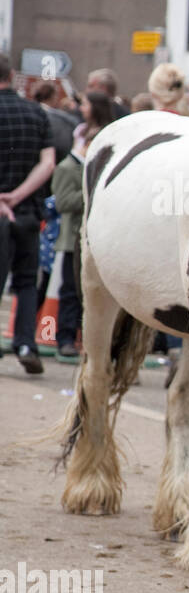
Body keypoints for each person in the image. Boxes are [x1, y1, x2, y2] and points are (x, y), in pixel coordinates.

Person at [0, 52, 57, 373]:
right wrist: (18, 196)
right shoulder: (35, 113)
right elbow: (47, 162)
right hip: (27, 212)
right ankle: (25, 343)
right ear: (11, 76)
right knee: (25, 281)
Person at [48, 90, 115, 360]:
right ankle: (66, 337)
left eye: (85, 103)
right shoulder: (71, 165)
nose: (81, 107)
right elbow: (65, 201)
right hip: (74, 236)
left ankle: (88, 340)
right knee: (70, 289)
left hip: (98, 237)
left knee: (94, 292)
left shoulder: (106, 135)